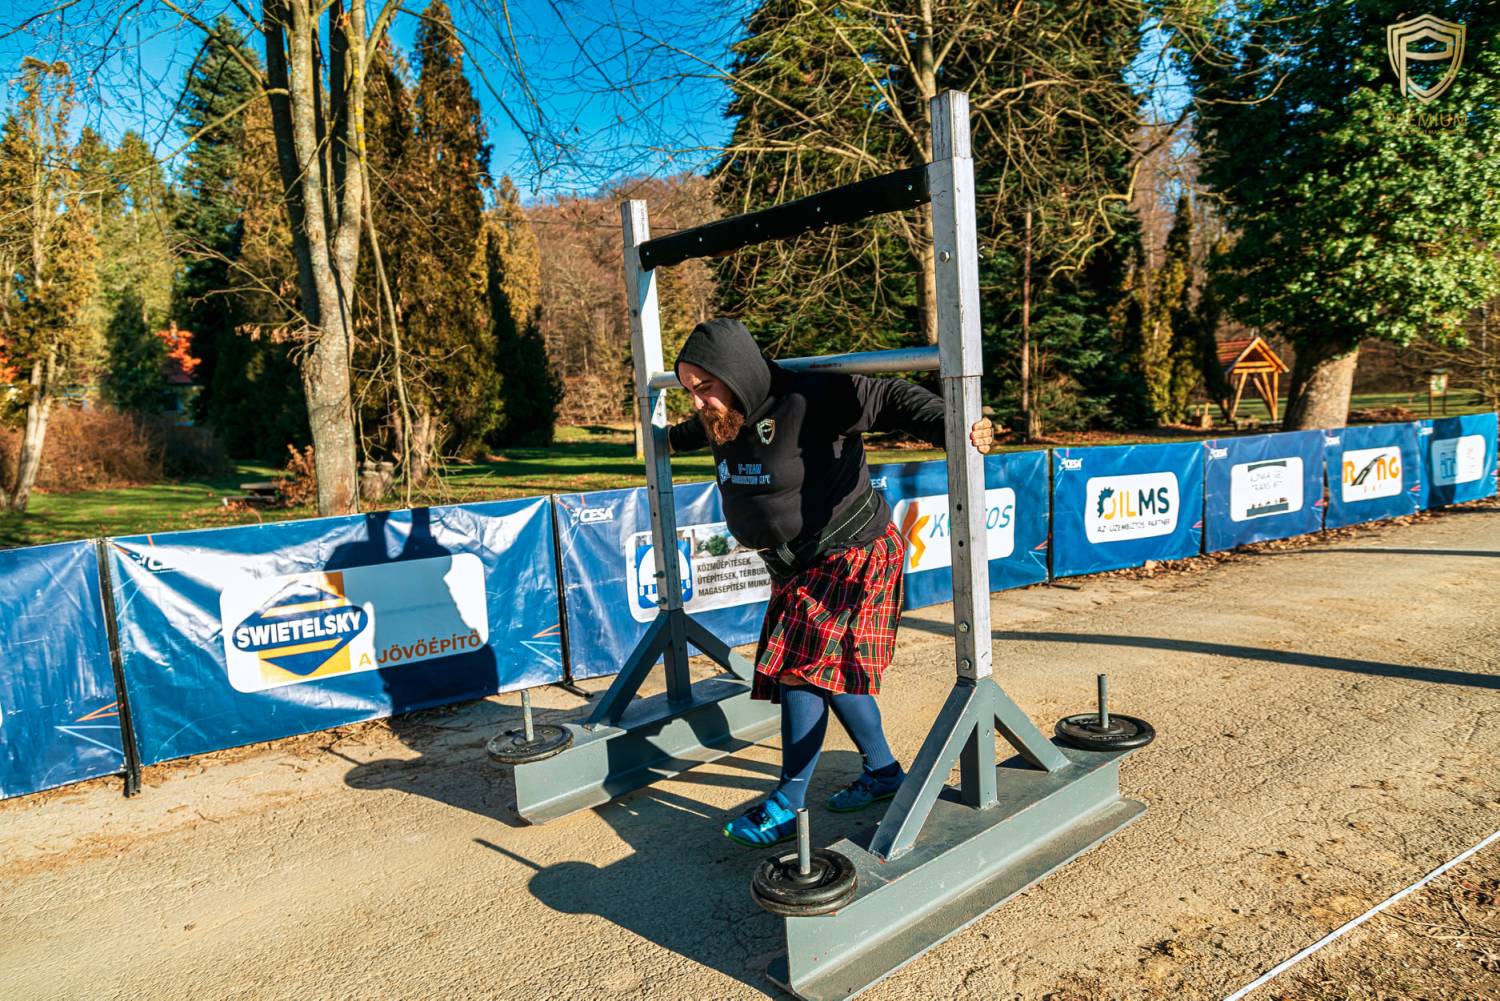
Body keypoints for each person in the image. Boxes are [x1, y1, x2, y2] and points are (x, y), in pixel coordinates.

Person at [666, 317, 995, 847]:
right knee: (830, 674)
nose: (699, 401)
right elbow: (688, 432)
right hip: (796, 568)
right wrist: (662, 439)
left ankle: (787, 803)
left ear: (738, 372)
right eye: (689, 390)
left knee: (800, 671)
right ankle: (884, 772)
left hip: (853, 554)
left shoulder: (811, 397)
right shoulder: (723, 415)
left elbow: (892, 398)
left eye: (704, 387)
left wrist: (955, 424)